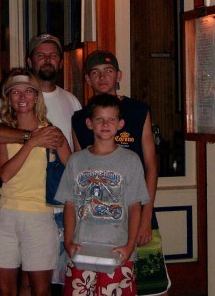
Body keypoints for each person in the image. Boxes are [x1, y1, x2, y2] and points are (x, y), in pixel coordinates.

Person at [0, 33, 82, 290]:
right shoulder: (4, 128)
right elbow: (3, 171)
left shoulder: (69, 104)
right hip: (7, 213)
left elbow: (75, 168)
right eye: (16, 93)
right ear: (9, 98)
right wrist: (31, 140)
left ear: (36, 97)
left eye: (53, 55)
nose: (22, 97)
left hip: (47, 211)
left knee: (51, 284)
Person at [72, 50, 171, 296]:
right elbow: (78, 178)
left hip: (136, 210)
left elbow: (151, 165)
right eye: (95, 73)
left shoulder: (138, 111)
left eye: (108, 72)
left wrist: (147, 217)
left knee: (152, 286)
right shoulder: (79, 119)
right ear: (88, 80)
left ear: (119, 75)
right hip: (96, 222)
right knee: (101, 287)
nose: (102, 78)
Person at [55, 93, 150, 296]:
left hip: (118, 251)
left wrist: (130, 245)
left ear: (120, 124)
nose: (105, 124)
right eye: (100, 119)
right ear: (89, 123)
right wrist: (69, 243)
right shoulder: (76, 161)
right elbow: (69, 205)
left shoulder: (131, 160)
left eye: (111, 119)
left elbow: (135, 206)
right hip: (81, 250)